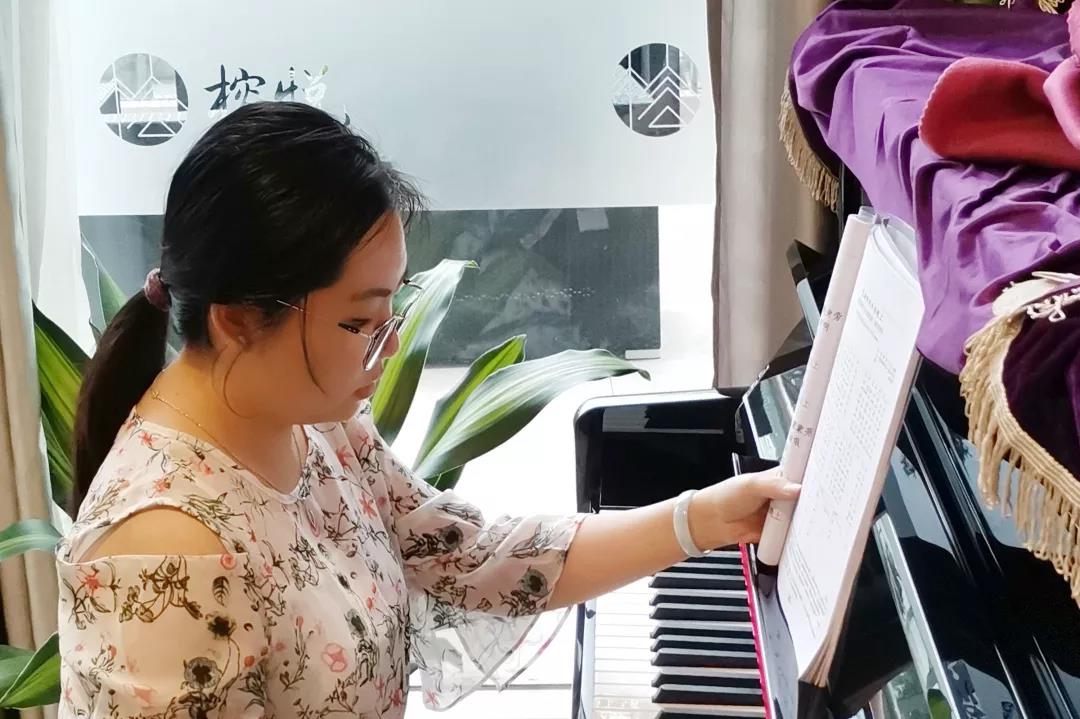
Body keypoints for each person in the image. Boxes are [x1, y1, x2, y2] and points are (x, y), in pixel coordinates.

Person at [55, 101, 799, 718]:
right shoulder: (164, 551)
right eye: (358, 322)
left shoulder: (316, 420)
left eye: (391, 310)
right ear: (239, 320)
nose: (386, 347)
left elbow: (472, 556)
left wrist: (704, 518)